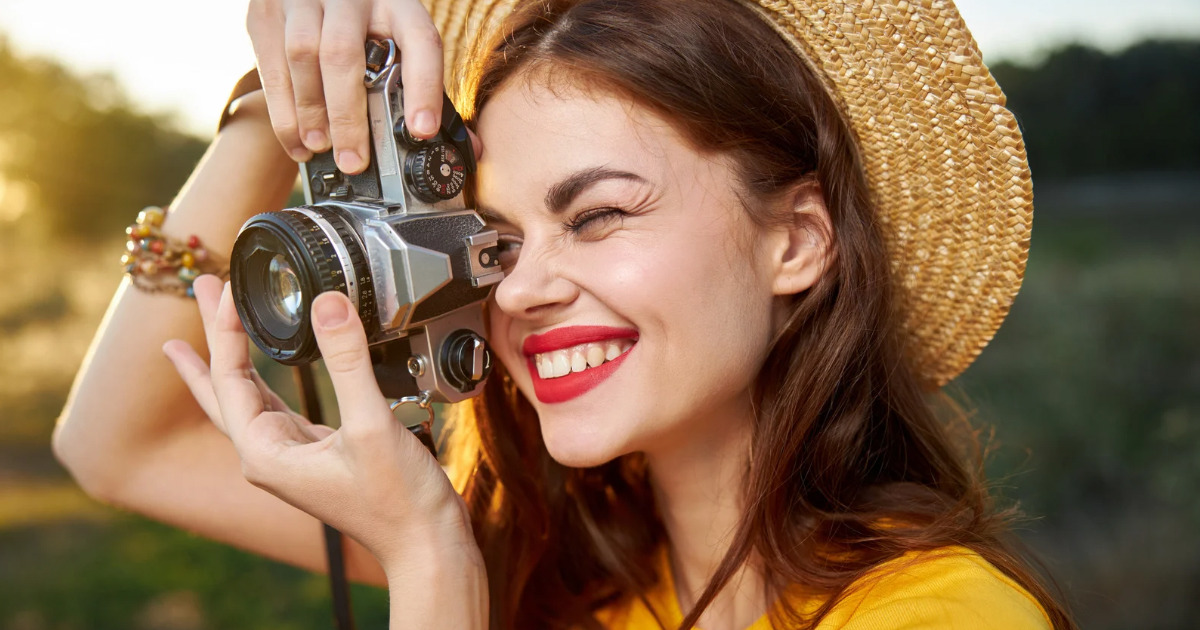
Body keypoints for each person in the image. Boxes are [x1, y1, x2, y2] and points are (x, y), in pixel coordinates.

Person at [54, 0, 1075, 628]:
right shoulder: (550, 563)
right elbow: (116, 447)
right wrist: (273, 110)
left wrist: (432, 576)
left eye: (596, 215)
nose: (520, 287)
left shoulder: (943, 617)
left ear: (797, 241)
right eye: (493, 240)